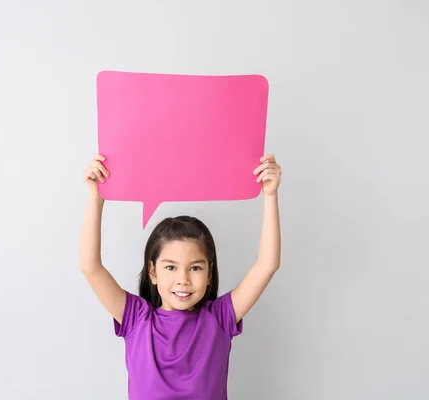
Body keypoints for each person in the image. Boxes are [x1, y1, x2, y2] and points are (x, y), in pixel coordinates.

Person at [79, 153, 282, 399]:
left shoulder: (219, 318)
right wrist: (96, 197)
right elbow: (91, 266)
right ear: (153, 272)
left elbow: (267, 265)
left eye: (195, 267)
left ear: (209, 273)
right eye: (170, 267)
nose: (183, 279)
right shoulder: (136, 319)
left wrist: (270, 195)